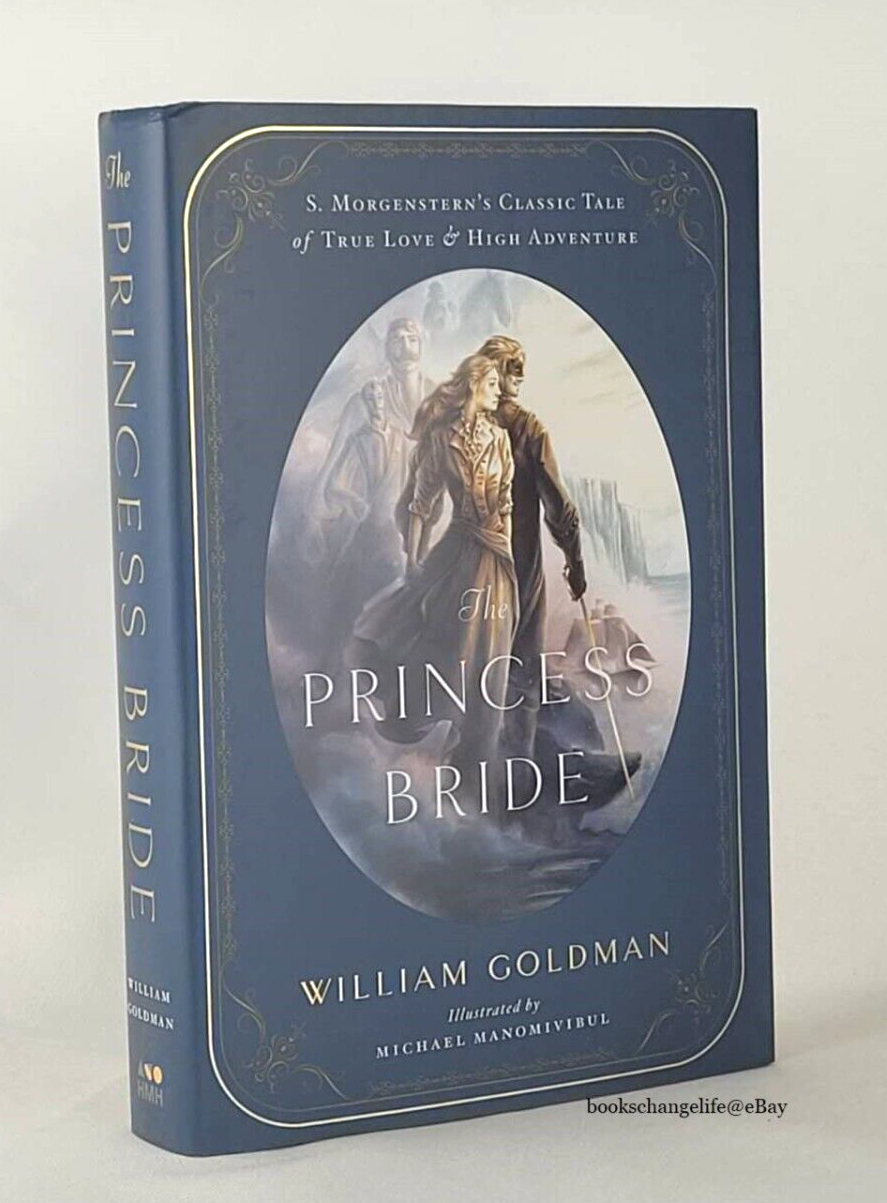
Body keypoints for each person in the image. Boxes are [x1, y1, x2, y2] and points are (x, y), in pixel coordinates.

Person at [352, 354, 518, 768]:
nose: (499, 391)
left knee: (492, 646)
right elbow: (421, 504)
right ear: (473, 385)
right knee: (442, 635)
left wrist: (507, 551)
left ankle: (476, 748)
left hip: (495, 552)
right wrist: (413, 558)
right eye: (492, 383)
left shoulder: (500, 438)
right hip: (456, 547)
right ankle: (418, 717)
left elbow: (506, 504)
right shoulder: (443, 438)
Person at [476, 336, 588, 759]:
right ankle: (518, 777)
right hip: (519, 570)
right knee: (521, 677)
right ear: (496, 372)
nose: (521, 376)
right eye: (514, 367)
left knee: (474, 675)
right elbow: (559, 509)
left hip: (469, 571)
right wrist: (575, 562)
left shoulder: (462, 424)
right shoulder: (528, 429)